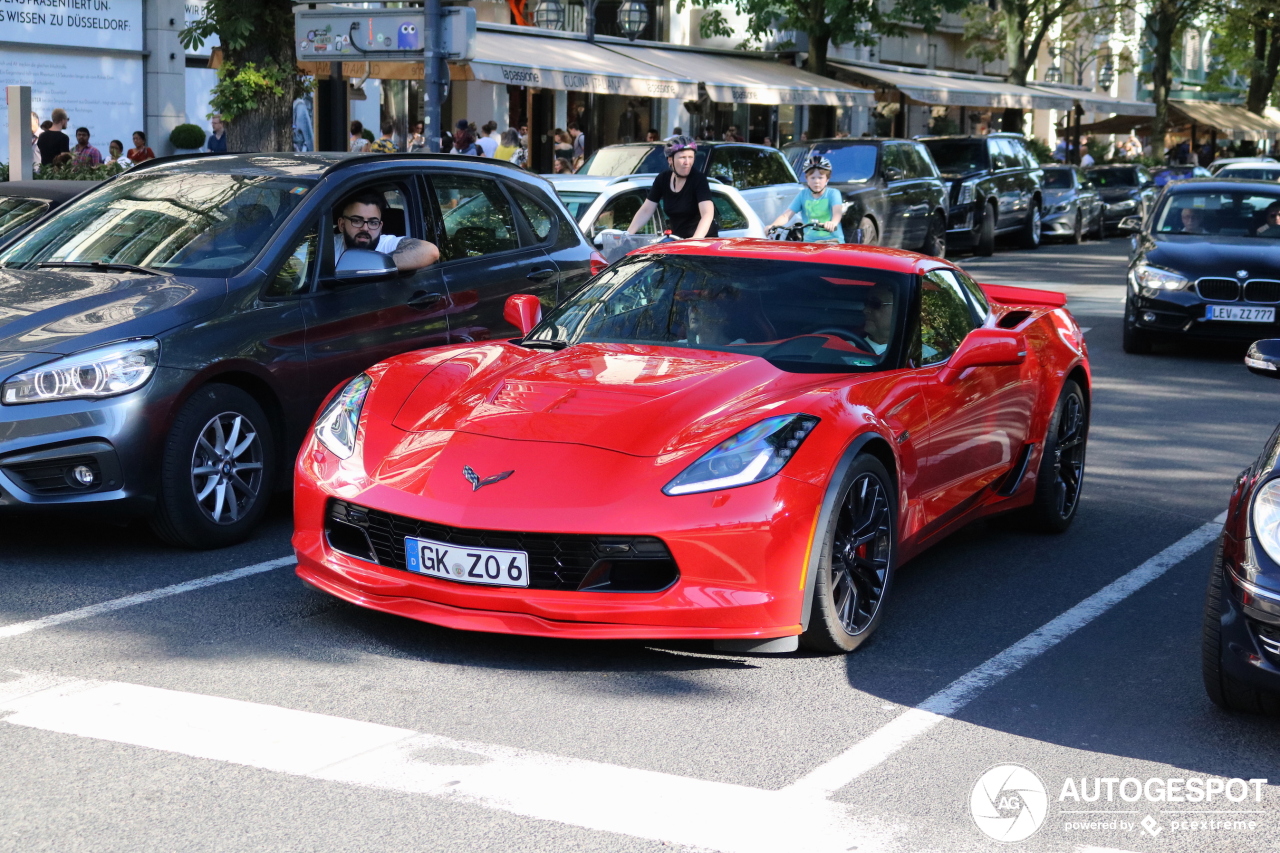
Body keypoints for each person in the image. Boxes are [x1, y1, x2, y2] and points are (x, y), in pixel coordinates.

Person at [626, 136, 718, 240]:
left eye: (690, 157)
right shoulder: (663, 179)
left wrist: (695, 240)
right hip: (678, 242)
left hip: (703, 241)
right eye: (682, 157)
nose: (687, 162)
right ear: (670, 160)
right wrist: (627, 235)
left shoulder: (698, 179)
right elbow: (646, 210)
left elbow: (707, 213)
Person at [333, 190, 440, 272]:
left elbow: (431, 251)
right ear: (342, 224)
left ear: (380, 227)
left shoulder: (387, 244)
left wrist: (367, 265)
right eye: (356, 221)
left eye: (373, 222)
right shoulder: (328, 247)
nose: (365, 228)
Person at [769, 155, 844, 242]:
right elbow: (786, 215)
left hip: (832, 240)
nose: (816, 181)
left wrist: (833, 223)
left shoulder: (833, 193)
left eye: (820, 178)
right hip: (810, 242)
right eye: (812, 178)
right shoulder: (803, 195)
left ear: (827, 179)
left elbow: (837, 212)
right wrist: (773, 226)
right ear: (807, 179)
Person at [861, 283, 896, 356]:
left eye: (875, 303)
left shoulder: (921, 354)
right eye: (866, 303)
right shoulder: (846, 348)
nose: (865, 310)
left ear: (900, 309)